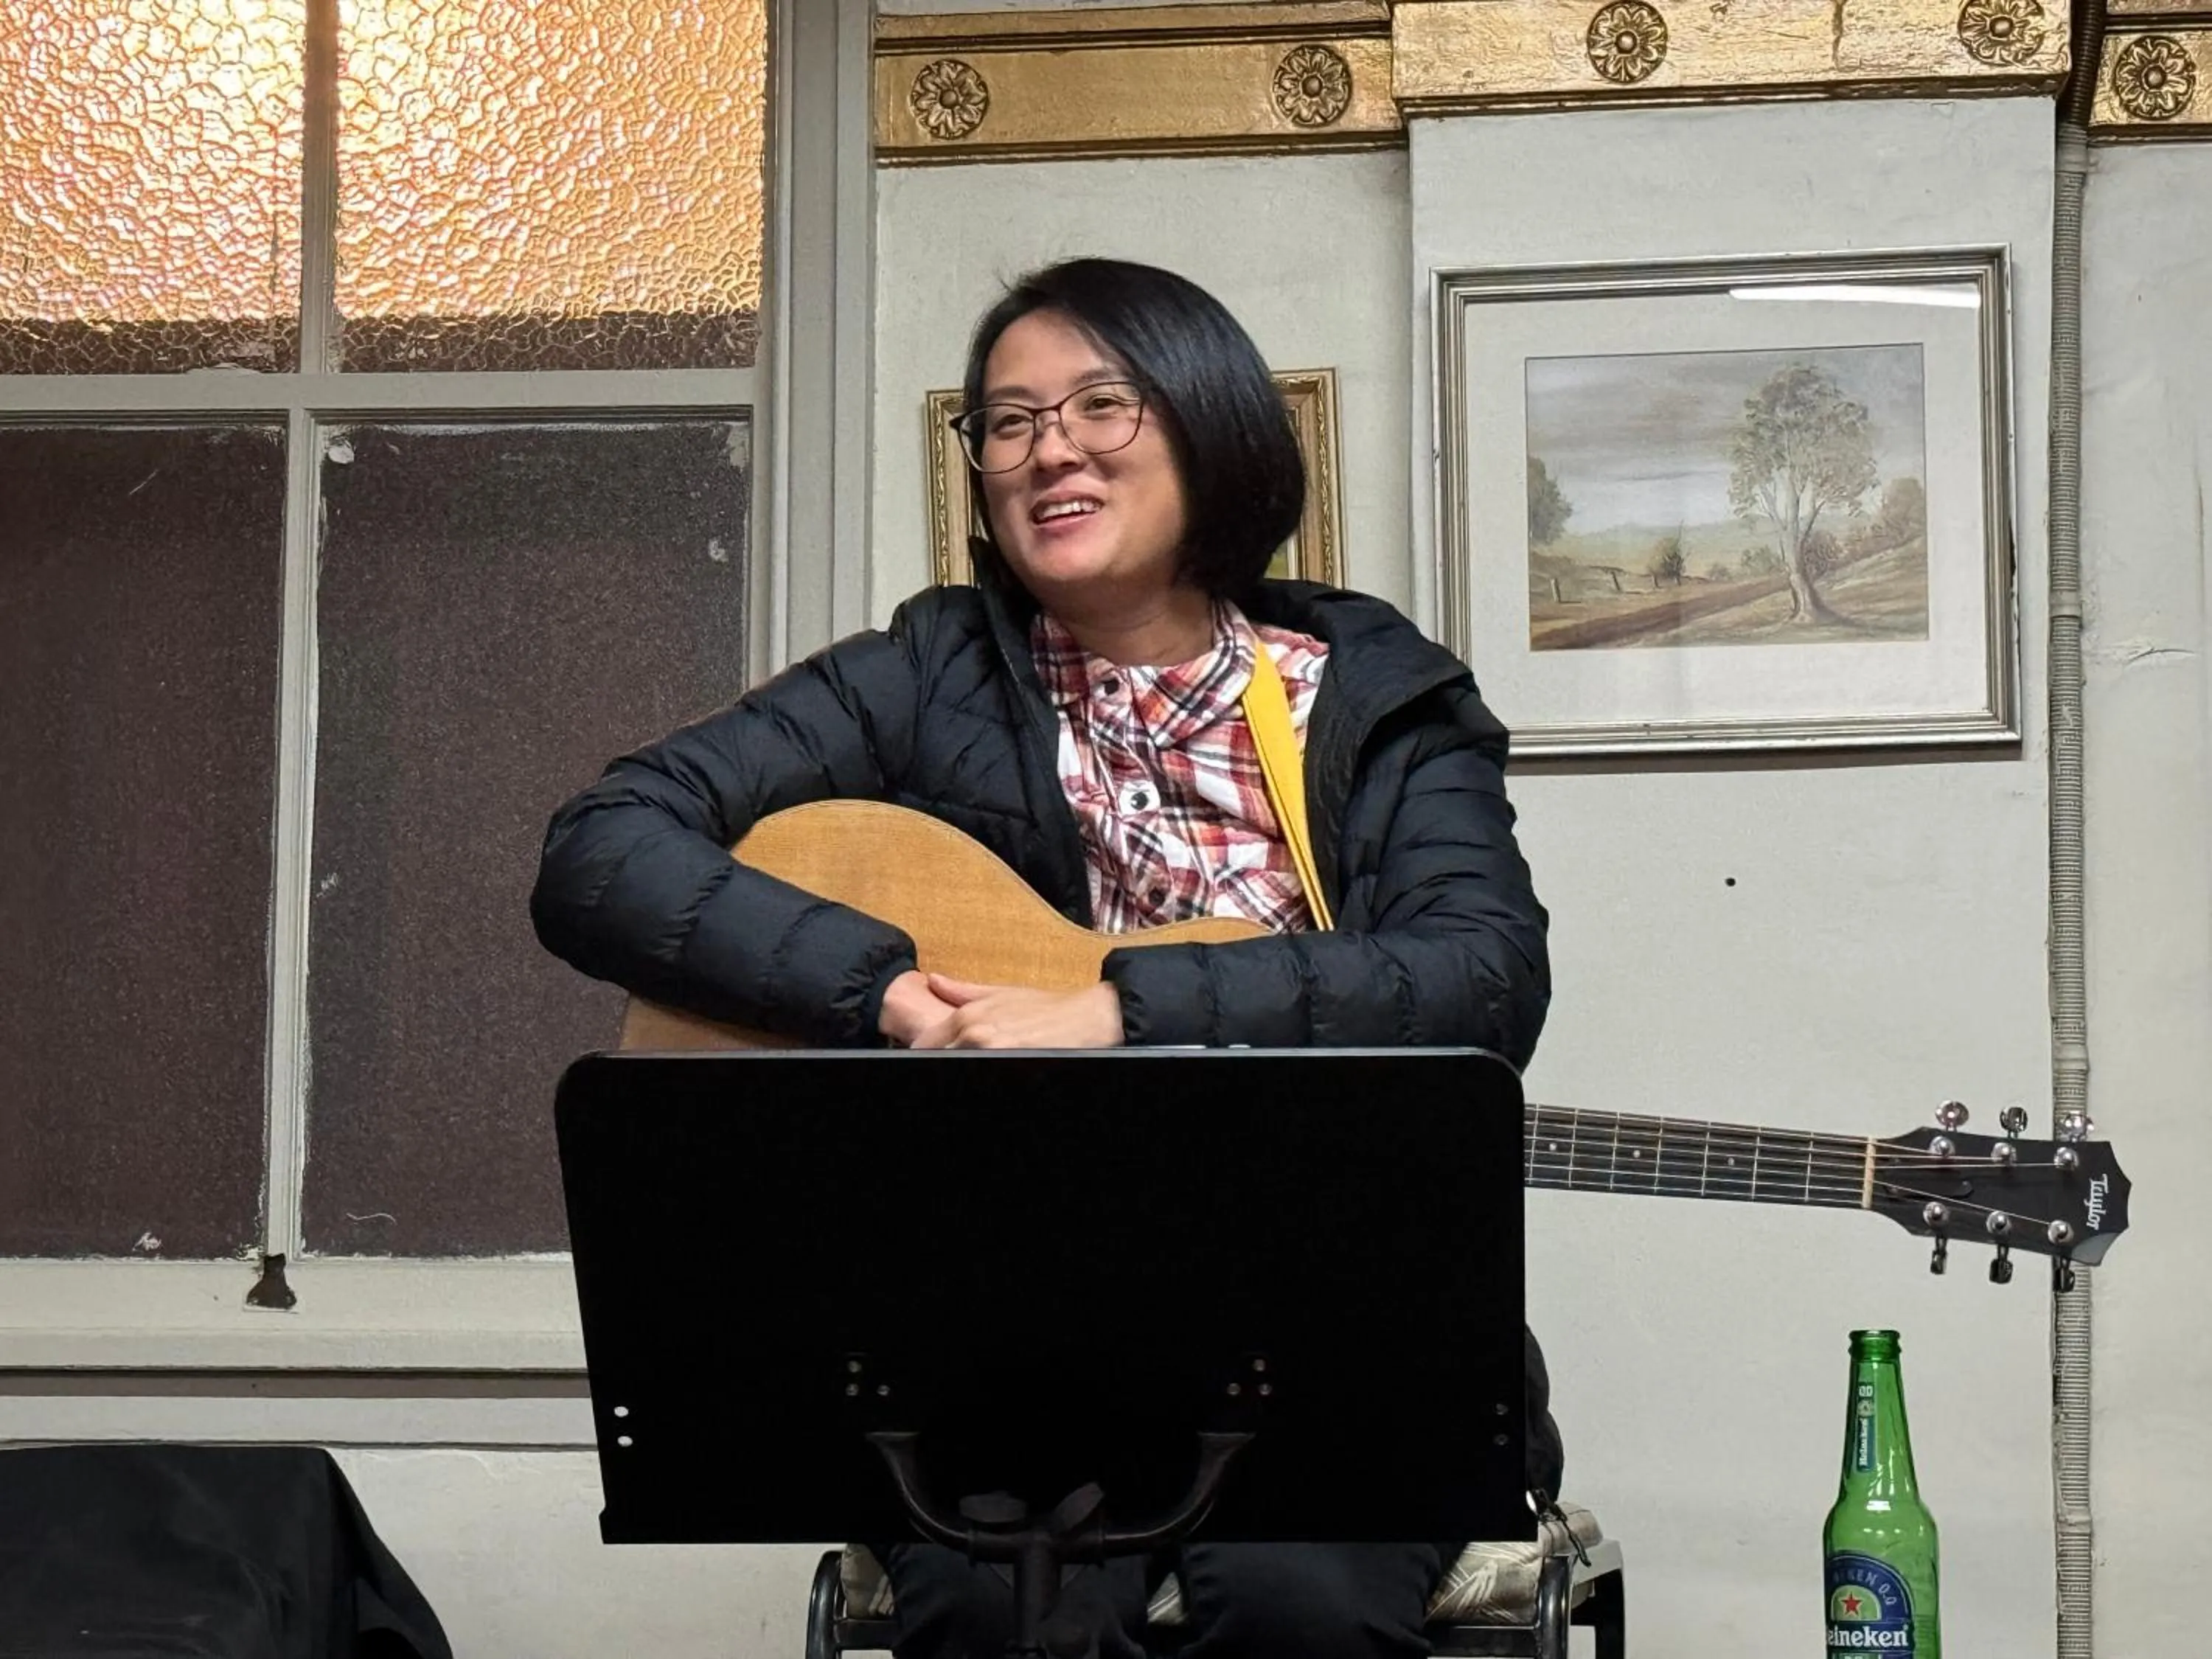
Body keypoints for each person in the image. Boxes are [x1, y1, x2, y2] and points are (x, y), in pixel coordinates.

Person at [531, 257, 1562, 1659]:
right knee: (997, 1610)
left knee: (1295, 1605)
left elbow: (1481, 977)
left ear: (1209, 425)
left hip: (1329, 1340)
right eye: (1006, 422)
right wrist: (887, 992)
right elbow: (602, 850)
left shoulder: (1376, 698)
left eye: (1099, 404)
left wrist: (1116, 1010)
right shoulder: (925, 670)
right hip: (999, 1364)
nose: (1048, 449)